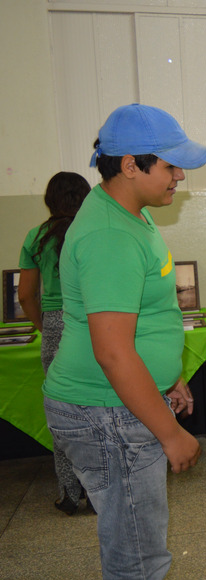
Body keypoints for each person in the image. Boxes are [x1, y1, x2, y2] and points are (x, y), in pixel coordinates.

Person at [42, 103, 206, 580]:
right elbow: (114, 353)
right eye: (170, 165)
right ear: (129, 165)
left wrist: (172, 377)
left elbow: (146, 320)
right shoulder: (110, 235)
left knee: (137, 538)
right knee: (135, 549)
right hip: (107, 413)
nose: (179, 176)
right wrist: (170, 434)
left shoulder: (127, 213)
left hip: (120, 405)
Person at [18, 171, 93, 515]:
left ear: (49, 200)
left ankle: (68, 493)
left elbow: (26, 295)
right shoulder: (92, 231)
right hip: (93, 323)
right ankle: (98, 490)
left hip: (54, 324)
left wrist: (45, 325)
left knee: (61, 412)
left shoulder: (36, 237)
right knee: (98, 408)